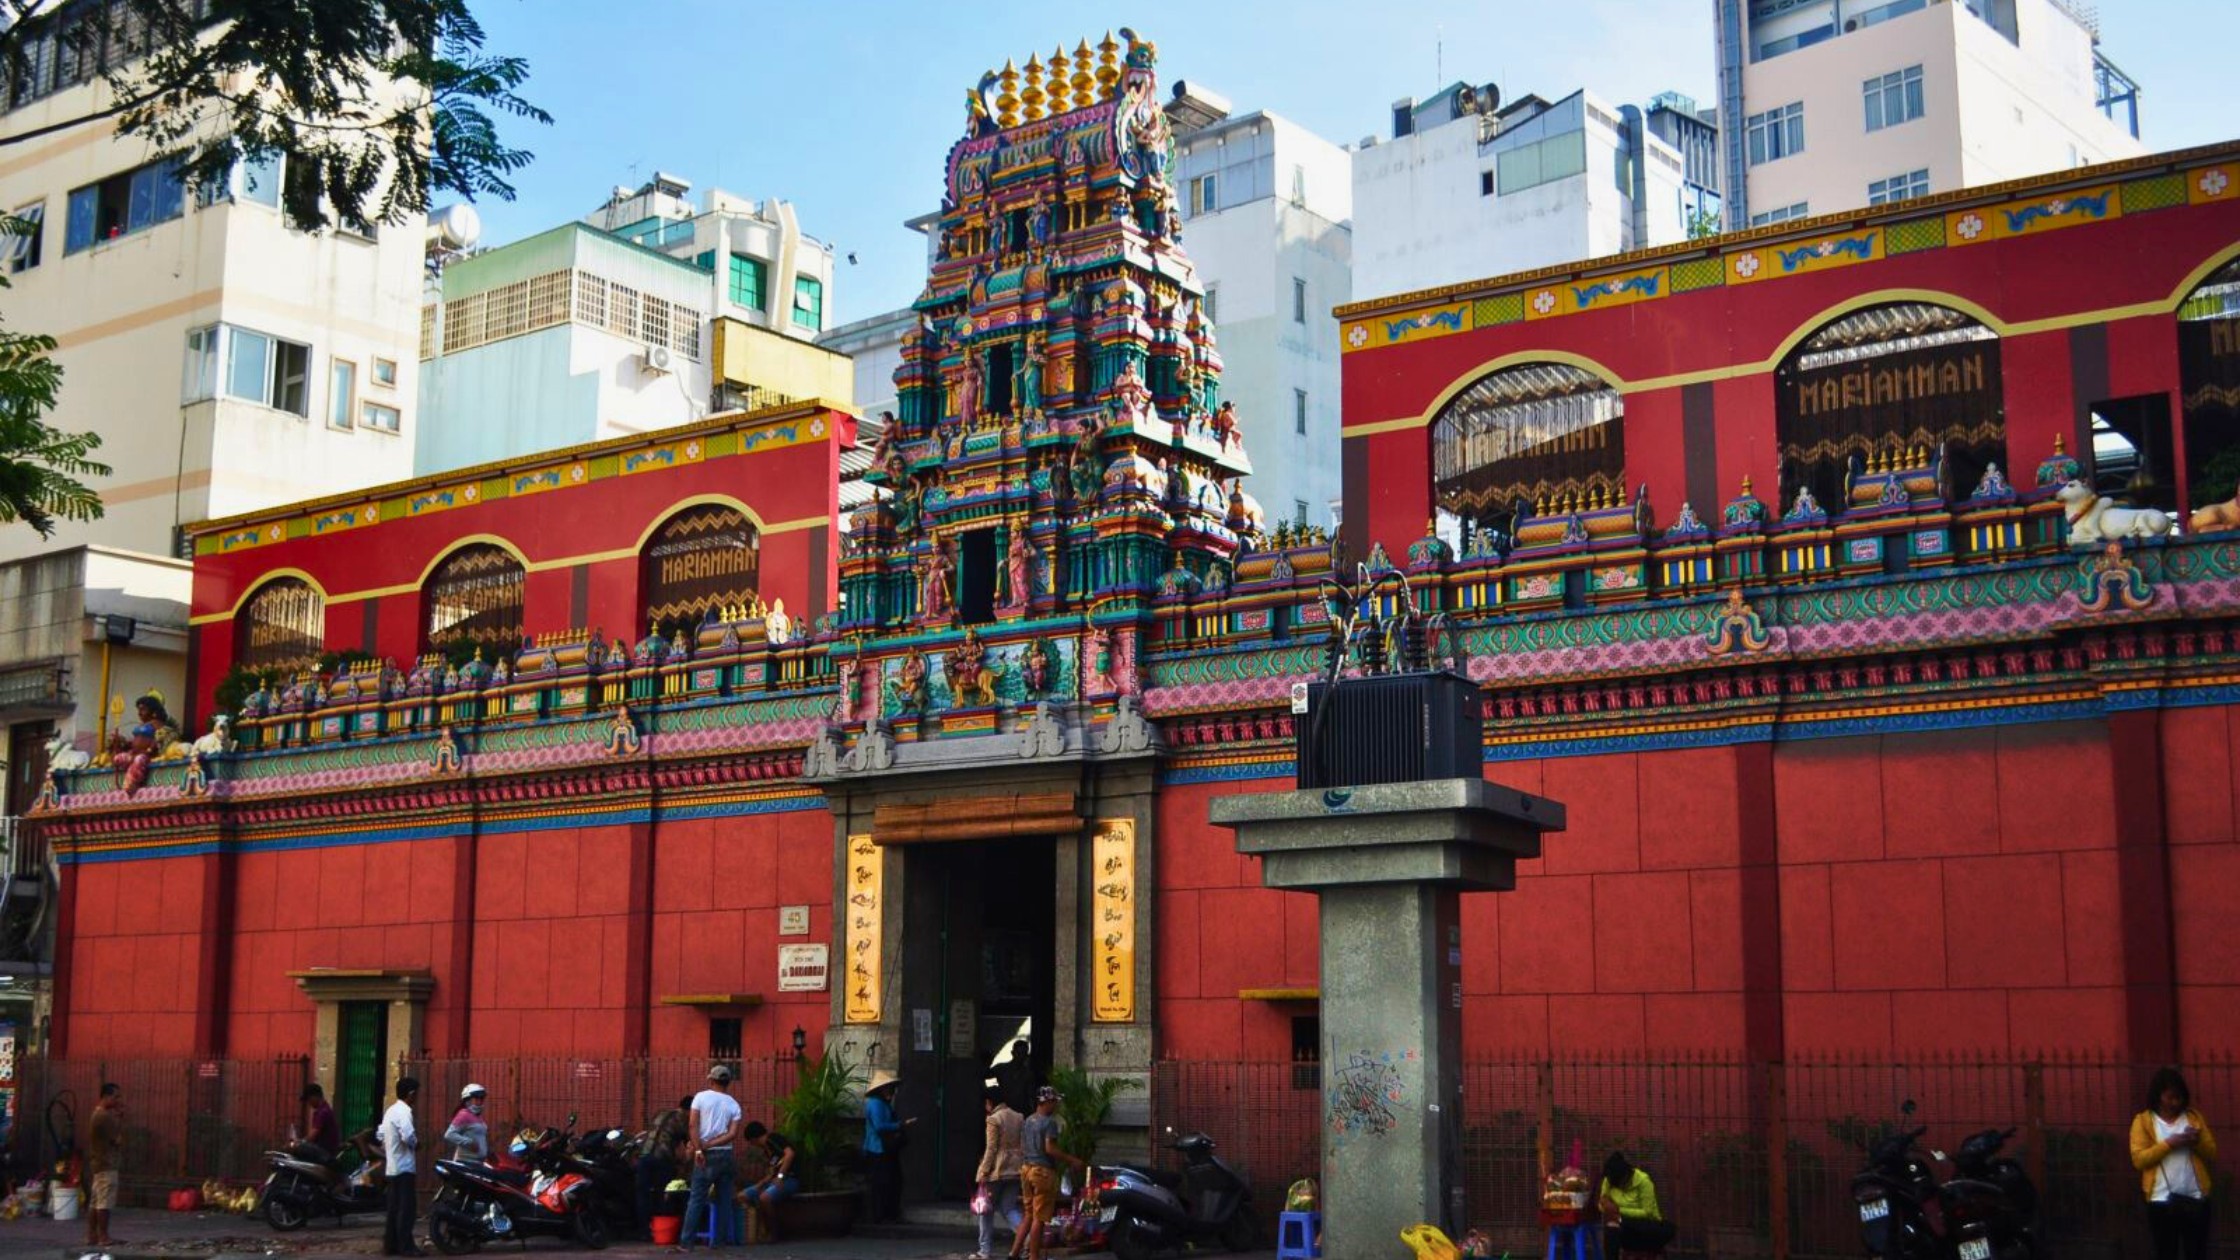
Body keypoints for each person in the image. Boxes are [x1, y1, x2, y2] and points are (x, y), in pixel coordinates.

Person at [2132, 1066, 2218, 1260]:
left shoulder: (2193, 1118)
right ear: (2158, 1096)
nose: (2175, 1102)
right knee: (2166, 1252)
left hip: (2196, 1198)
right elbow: (2139, 1159)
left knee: (2197, 1253)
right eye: (2170, 1097)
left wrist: (2197, 1142)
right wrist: (2169, 1144)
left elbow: (2212, 1152)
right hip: (2161, 1201)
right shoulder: (2143, 1122)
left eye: (2179, 1097)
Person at [1019, 1086, 1083, 1260]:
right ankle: (1033, 1256)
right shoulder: (1049, 1123)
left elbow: (1022, 1147)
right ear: (1045, 1102)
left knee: (1028, 1214)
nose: (1055, 1105)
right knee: (1039, 1218)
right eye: (1053, 1101)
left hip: (1026, 1169)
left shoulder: (1028, 1120)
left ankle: (1014, 1253)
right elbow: (1050, 1148)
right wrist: (1072, 1160)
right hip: (1042, 1172)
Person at [684, 1064, 743, 1248]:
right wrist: (712, 1143)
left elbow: (693, 1125)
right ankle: (719, 1243)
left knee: (696, 1199)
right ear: (728, 1082)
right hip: (726, 1155)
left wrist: (699, 1149)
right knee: (724, 1201)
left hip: (706, 1156)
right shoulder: (734, 1104)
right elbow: (732, 1134)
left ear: (711, 1080)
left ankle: (686, 1243)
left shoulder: (701, 1097)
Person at [975, 1085, 1026, 1260]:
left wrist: (983, 1171)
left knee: (986, 1210)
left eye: (985, 1104)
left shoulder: (993, 1119)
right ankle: (1027, 1241)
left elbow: (991, 1149)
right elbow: (1023, 1144)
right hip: (1016, 1169)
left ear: (989, 1102)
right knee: (1009, 1208)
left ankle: (984, 1251)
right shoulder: (1019, 1117)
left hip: (997, 1170)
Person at [1598, 1151, 1674, 1257]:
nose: (1620, 1188)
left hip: (1646, 1228)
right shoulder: (1609, 1180)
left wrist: (1618, 1210)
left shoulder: (1643, 1181)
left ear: (1626, 1176)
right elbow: (1602, 1204)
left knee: (1619, 1223)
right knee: (1611, 1228)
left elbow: (1647, 1212)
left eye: (1620, 1185)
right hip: (1624, 1230)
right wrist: (1605, 1206)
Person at [379, 1076, 424, 1257]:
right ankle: (406, 1246)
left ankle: (391, 1245)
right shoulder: (405, 1112)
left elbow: (380, 1134)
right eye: (416, 1094)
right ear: (411, 1094)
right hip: (404, 1166)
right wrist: (417, 1144)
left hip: (392, 1166)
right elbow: (408, 1136)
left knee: (394, 1209)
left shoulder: (390, 1111)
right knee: (406, 1209)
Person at [862, 1070, 912, 1224]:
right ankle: (882, 1215)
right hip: (878, 1149)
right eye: (889, 1088)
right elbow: (879, 1126)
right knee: (883, 1183)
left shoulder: (882, 1103)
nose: (892, 1091)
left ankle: (889, 1214)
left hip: (884, 1149)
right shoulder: (875, 1104)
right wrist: (900, 1125)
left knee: (892, 1181)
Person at [638, 1095, 692, 1237]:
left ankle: (643, 1230)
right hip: (662, 1159)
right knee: (662, 1193)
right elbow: (689, 1142)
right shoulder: (683, 1120)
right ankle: (661, 1229)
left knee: (643, 1194)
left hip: (644, 1156)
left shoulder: (661, 1113)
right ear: (689, 1110)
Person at [738, 1121, 798, 1243]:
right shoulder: (767, 1151)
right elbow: (771, 1173)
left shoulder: (773, 1139)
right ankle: (757, 1229)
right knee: (742, 1196)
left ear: (754, 1139)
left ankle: (773, 1232)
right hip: (772, 1181)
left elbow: (790, 1154)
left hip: (789, 1179)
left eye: (751, 1142)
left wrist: (780, 1176)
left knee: (765, 1198)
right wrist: (759, 1185)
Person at [85, 1082, 123, 1249]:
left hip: (98, 1164)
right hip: (106, 1164)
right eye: (115, 1097)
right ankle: (103, 1236)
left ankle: (91, 1235)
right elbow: (117, 1139)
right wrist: (120, 1119)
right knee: (104, 1202)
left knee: (95, 1201)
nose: (118, 1100)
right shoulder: (104, 1117)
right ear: (106, 1097)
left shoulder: (97, 1114)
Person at [443, 1083, 490, 1163]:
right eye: (476, 1099)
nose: (479, 1101)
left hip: (478, 1162)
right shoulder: (464, 1114)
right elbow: (449, 1134)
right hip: (466, 1161)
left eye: (481, 1099)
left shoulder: (477, 1116)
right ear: (467, 1100)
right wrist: (469, 1142)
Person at [301, 1082, 341, 1160]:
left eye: (309, 1099)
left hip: (324, 1151)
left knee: (299, 1149)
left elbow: (314, 1133)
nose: (308, 1103)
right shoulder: (322, 1110)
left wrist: (301, 1142)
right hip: (323, 1149)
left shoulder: (323, 1112)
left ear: (315, 1096)